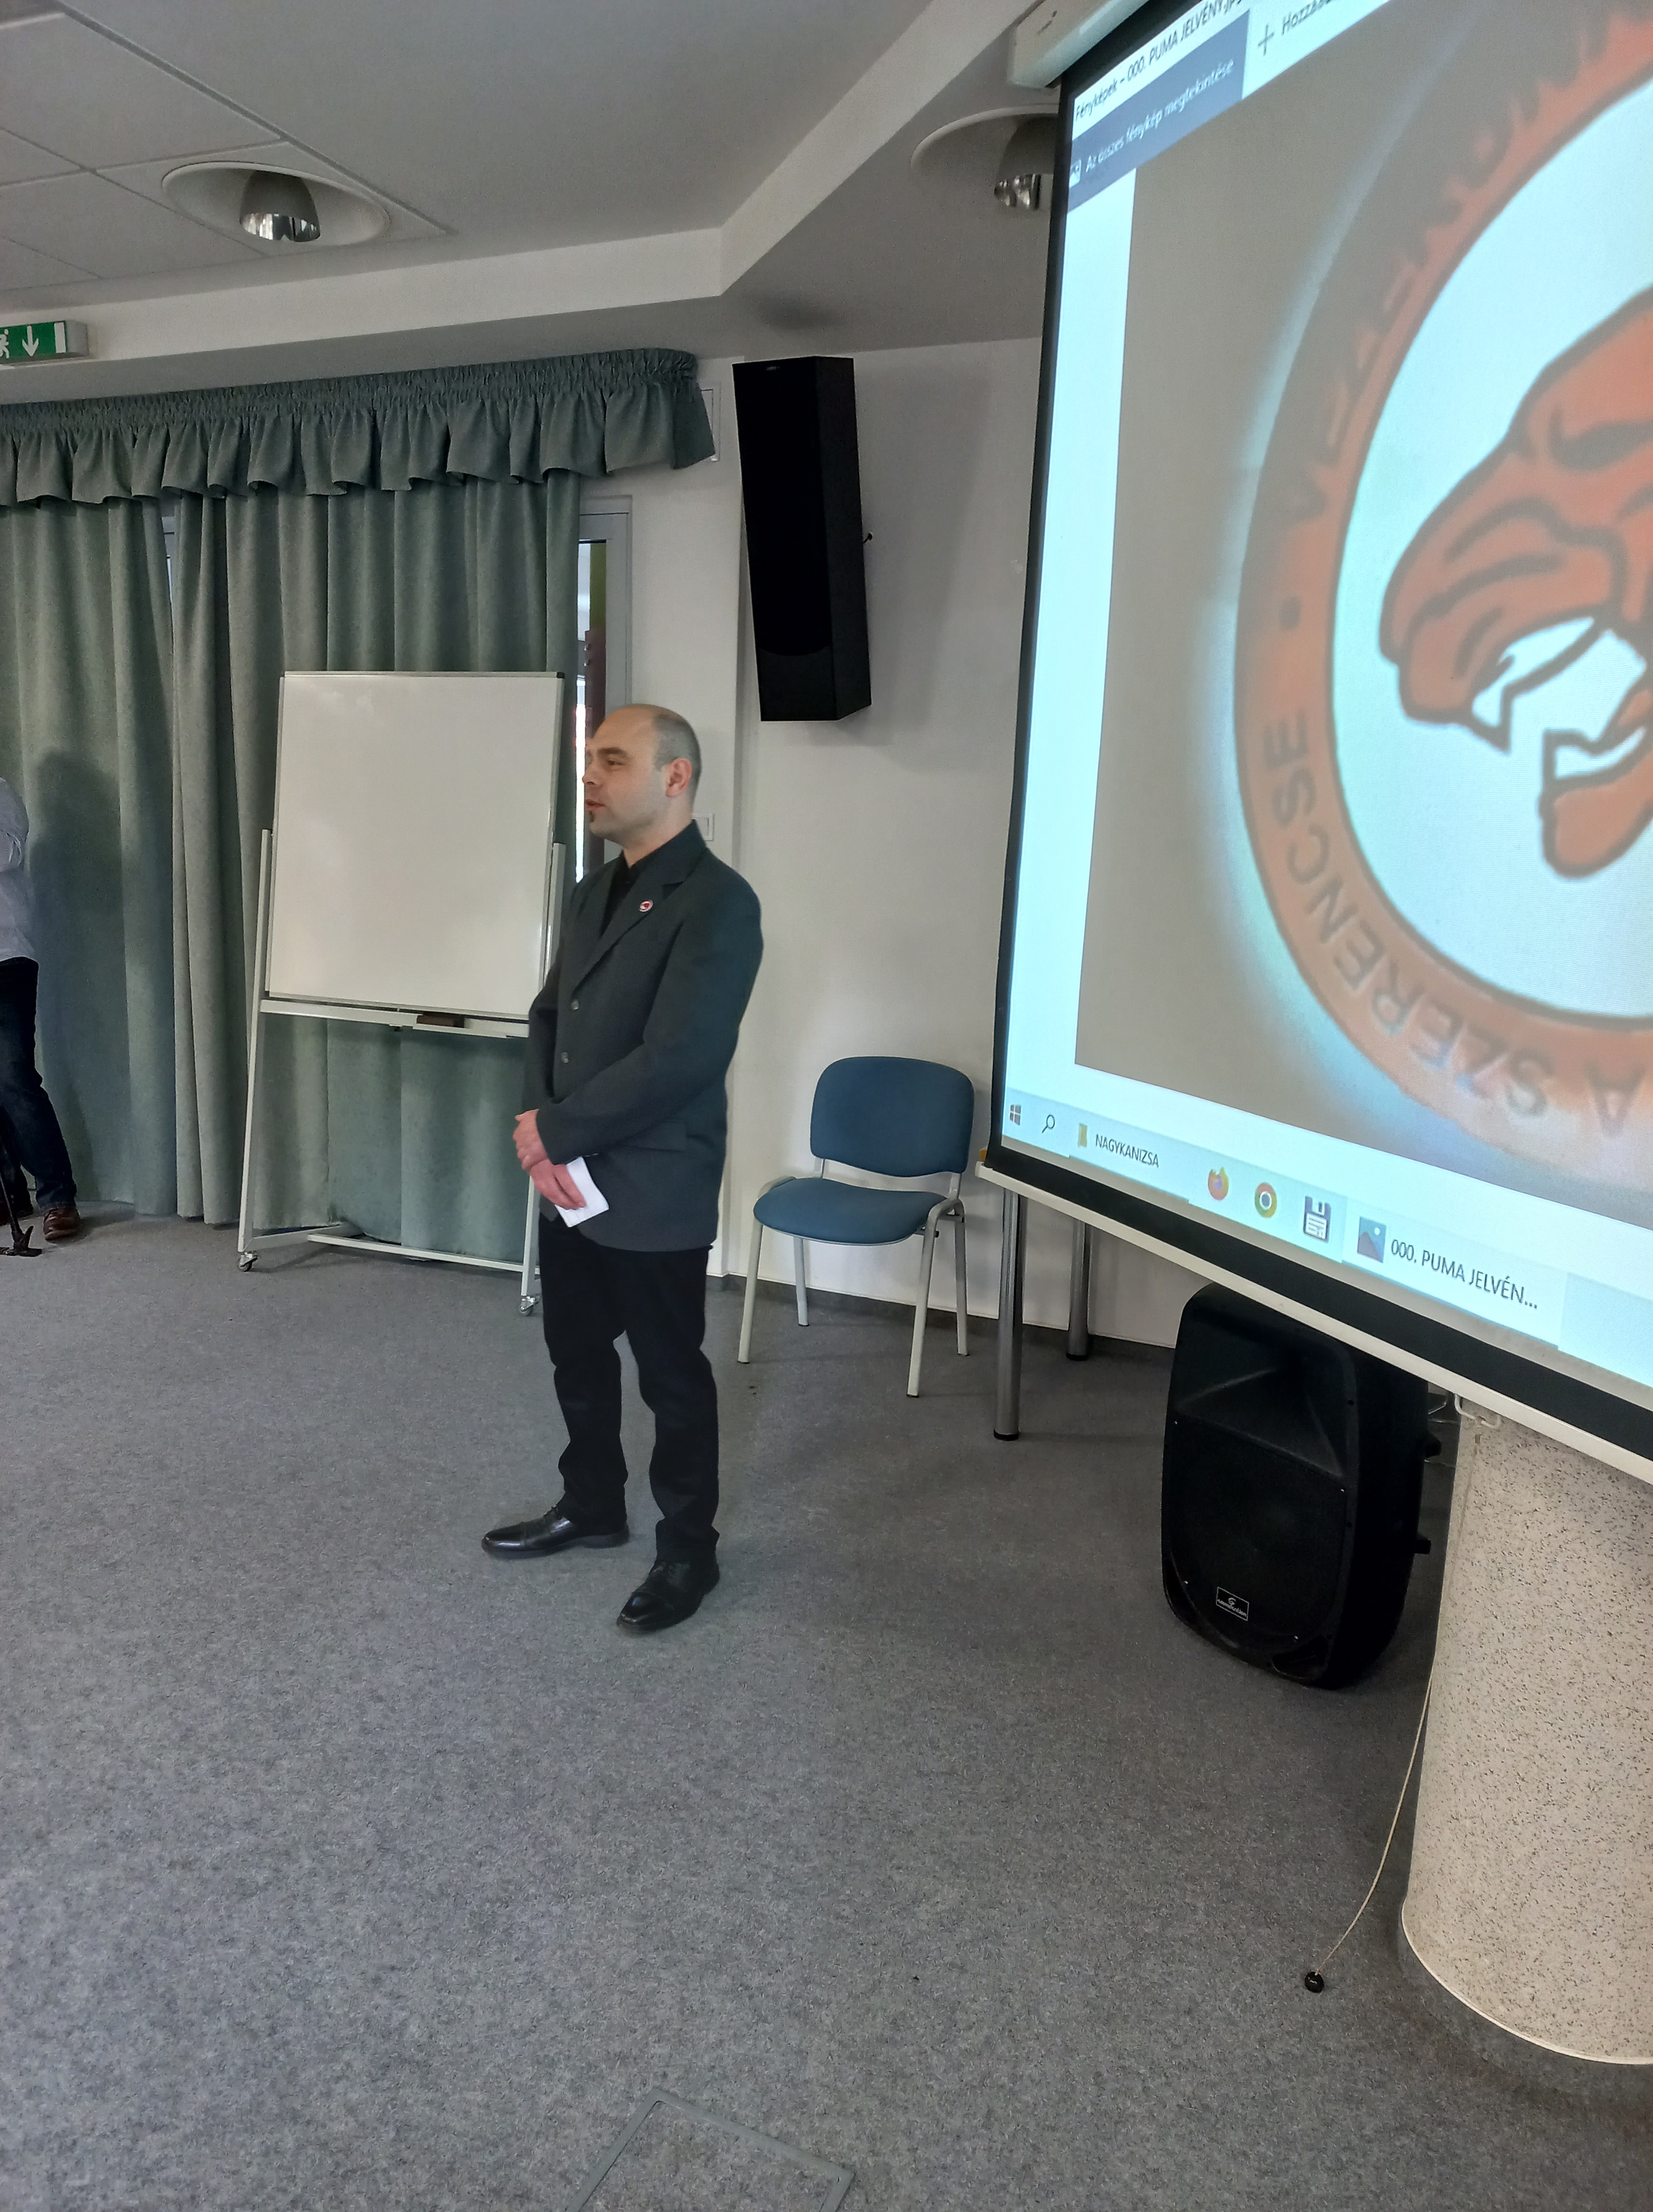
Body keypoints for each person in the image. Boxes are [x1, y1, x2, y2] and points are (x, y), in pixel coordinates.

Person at [483, 705, 763, 1634]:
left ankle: (688, 1546)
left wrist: (554, 1131)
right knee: (575, 1349)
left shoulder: (718, 901)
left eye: (613, 759)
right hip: (570, 1176)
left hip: (652, 1182)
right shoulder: (593, 889)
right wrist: (539, 1128)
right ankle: (592, 1502)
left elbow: (681, 1055)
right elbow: (547, 1015)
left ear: (676, 776)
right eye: (588, 759)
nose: (590, 776)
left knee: (670, 1374)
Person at [0, 777, 80, 1242]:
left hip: (7, 955)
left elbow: (10, 852)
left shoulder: (1, 790)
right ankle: (10, 1193)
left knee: (13, 1077)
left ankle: (57, 1194)